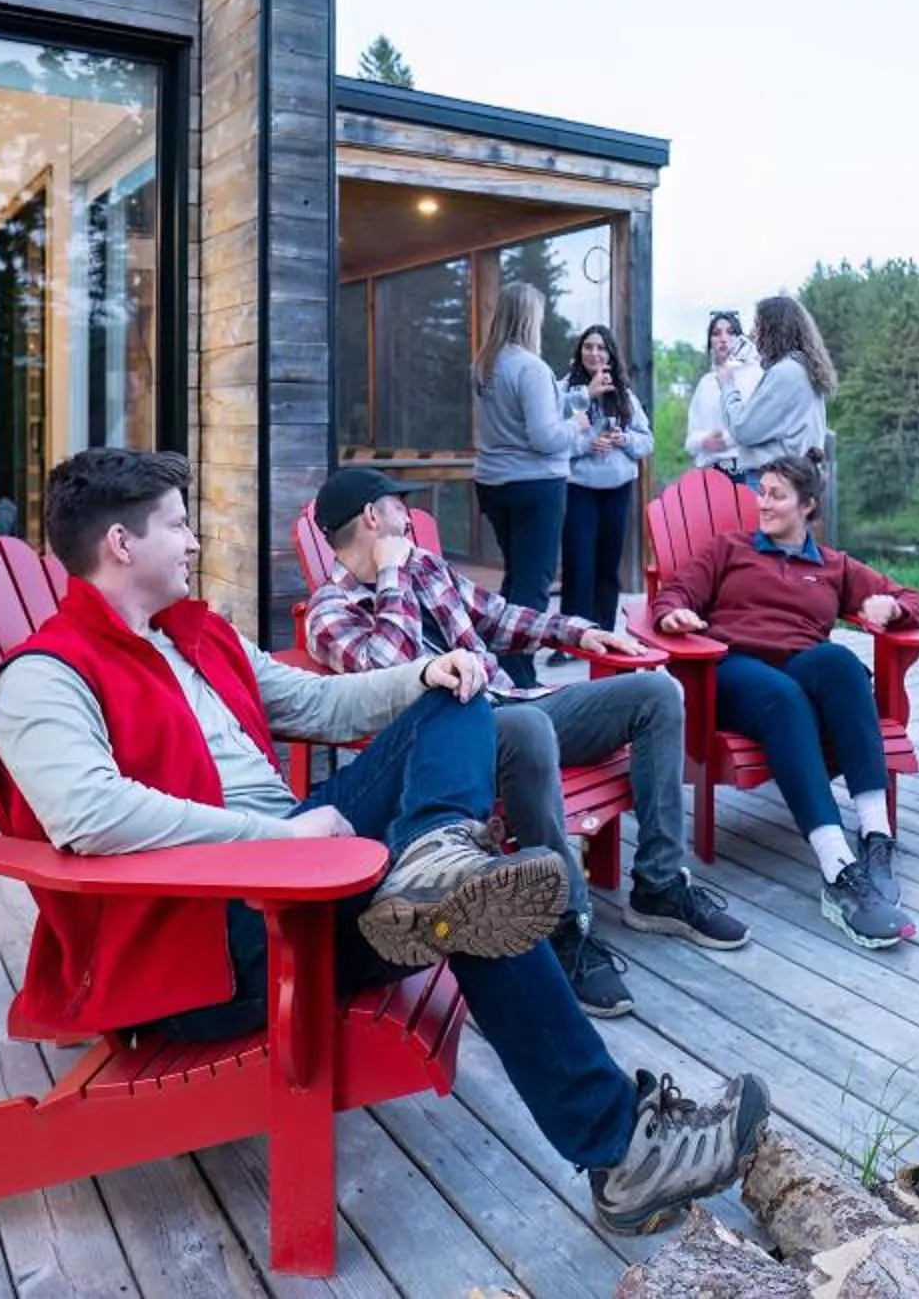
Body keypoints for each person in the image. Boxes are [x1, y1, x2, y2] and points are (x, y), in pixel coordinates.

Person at [0, 449, 768, 1233]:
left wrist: (428, 674)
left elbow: (322, 703)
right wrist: (274, 835)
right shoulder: (45, 677)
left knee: (459, 704)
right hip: (216, 934)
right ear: (121, 544)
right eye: (178, 526)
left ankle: (437, 860)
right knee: (469, 905)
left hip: (296, 878)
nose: (193, 543)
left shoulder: (193, 636)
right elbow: (90, 815)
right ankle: (621, 1149)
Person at [307, 467, 746, 1021]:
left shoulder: (426, 567)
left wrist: (578, 632)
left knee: (657, 692)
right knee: (529, 727)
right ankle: (567, 928)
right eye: (401, 507)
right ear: (373, 517)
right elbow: (395, 671)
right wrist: (391, 575)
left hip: (516, 704)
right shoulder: (330, 614)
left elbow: (498, 617)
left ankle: (659, 885)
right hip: (453, 751)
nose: (413, 520)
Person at [649, 456, 919, 950]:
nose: (764, 503)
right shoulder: (728, 549)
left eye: (777, 494)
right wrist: (674, 616)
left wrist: (895, 606)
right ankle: (837, 868)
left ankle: (875, 837)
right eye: (762, 492)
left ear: (807, 505)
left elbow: (916, 601)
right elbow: (675, 593)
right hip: (731, 669)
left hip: (799, 666)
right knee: (784, 697)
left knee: (841, 663)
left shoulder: (833, 565)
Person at [472, 281, 594, 689]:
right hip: (536, 486)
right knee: (533, 584)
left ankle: (498, 661)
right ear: (530, 318)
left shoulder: (484, 364)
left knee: (516, 576)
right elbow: (546, 437)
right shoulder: (531, 367)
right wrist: (578, 427)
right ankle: (519, 675)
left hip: (492, 483)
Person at [559, 324, 653, 632]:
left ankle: (604, 631)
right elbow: (552, 441)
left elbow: (646, 442)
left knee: (608, 565)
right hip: (579, 488)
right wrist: (587, 444)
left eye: (601, 348)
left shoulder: (624, 396)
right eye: (588, 347)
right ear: (579, 352)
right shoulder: (564, 392)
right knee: (579, 563)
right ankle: (572, 635)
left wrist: (623, 439)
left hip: (617, 489)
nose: (595, 353)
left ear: (610, 355)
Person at [720, 295, 835, 491]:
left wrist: (728, 386)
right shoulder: (803, 369)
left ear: (772, 331)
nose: (753, 334)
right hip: (796, 478)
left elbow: (743, 429)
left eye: (758, 326)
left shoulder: (785, 373)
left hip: (774, 482)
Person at [684, 309, 760, 474]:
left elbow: (758, 427)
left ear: (740, 338)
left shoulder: (754, 377)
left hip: (746, 473)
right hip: (709, 475)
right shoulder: (705, 384)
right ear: (710, 341)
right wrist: (704, 441)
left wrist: (726, 439)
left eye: (730, 333)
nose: (723, 339)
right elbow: (690, 440)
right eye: (716, 333)